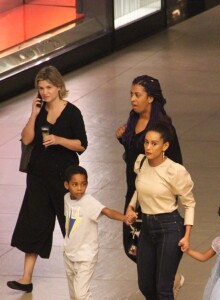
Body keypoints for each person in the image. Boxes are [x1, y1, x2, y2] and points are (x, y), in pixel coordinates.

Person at [7, 65, 88, 293]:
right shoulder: (39, 111)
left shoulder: (72, 113)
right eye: (41, 88)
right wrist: (33, 114)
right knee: (34, 224)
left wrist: (59, 139)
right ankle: (26, 277)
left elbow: (81, 144)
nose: (45, 92)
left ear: (59, 87)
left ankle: (79, 277)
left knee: (70, 228)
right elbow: (26, 138)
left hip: (63, 178)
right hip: (38, 177)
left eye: (49, 87)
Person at [115, 75, 184, 295]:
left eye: (138, 95)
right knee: (131, 245)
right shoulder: (133, 121)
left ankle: (165, 276)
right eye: (131, 94)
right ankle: (166, 275)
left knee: (143, 250)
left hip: (154, 198)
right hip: (134, 192)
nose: (133, 99)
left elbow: (176, 162)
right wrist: (122, 139)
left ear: (151, 98)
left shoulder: (161, 126)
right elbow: (135, 155)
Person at [125, 122, 196, 300]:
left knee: (163, 289)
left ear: (165, 146)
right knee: (145, 285)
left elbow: (189, 204)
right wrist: (131, 207)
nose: (149, 147)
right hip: (147, 228)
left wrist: (187, 235)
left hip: (170, 227)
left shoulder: (175, 171)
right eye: (146, 142)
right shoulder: (141, 162)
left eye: (154, 143)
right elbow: (138, 189)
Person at [63, 165, 134, 300]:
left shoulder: (88, 201)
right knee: (74, 295)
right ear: (67, 185)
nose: (79, 188)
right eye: (75, 184)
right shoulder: (66, 198)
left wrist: (124, 218)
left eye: (83, 184)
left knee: (81, 295)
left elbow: (107, 211)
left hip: (85, 257)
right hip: (69, 255)